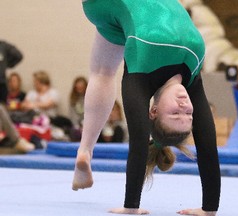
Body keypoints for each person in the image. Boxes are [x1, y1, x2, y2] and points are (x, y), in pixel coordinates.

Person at [72, 0, 220, 215]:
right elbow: (208, 146)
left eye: (175, 112)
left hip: (103, 4)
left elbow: (139, 141)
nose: (184, 105)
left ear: (153, 111)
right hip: (127, 14)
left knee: (103, 73)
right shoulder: (192, 79)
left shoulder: (139, 79)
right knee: (103, 72)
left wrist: (131, 207)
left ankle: (86, 149)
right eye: (188, 113)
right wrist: (209, 209)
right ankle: (84, 151)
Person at [69, 76, 87, 141]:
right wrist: (77, 125)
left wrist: (84, 125)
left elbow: (91, 113)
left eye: (81, 88)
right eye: (78, 88)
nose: (80, 89)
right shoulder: (73, 99)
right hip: (77, 123)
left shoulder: (89, 98)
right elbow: (72, 114)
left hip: (87, 122)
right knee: (74, 131)